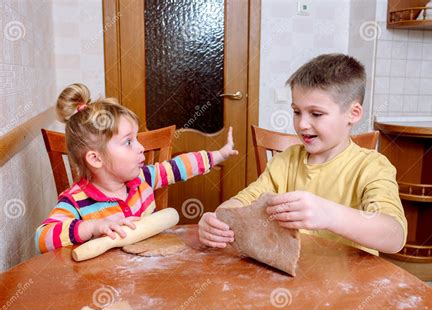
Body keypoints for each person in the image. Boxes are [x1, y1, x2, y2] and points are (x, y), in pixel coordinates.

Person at [198, 54, 407, 255]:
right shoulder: (286, 161)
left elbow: (394, 236)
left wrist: (329, 215)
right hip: (295, 279)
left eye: (316, 114)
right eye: (297, 112)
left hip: (352, 284)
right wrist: (218, 220)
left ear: (353, 114)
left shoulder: (371, 166)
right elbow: (245, 200)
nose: (302, 124)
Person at [36, 83, 238, 253]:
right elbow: (42, 237)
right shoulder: (76, 201)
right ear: (96, 159)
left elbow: (179, 166)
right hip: (103, 287)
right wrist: (92, 227)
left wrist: (218, 155)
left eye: (137, 139)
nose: (141, 148)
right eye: (128, 142)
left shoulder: (143, 178)